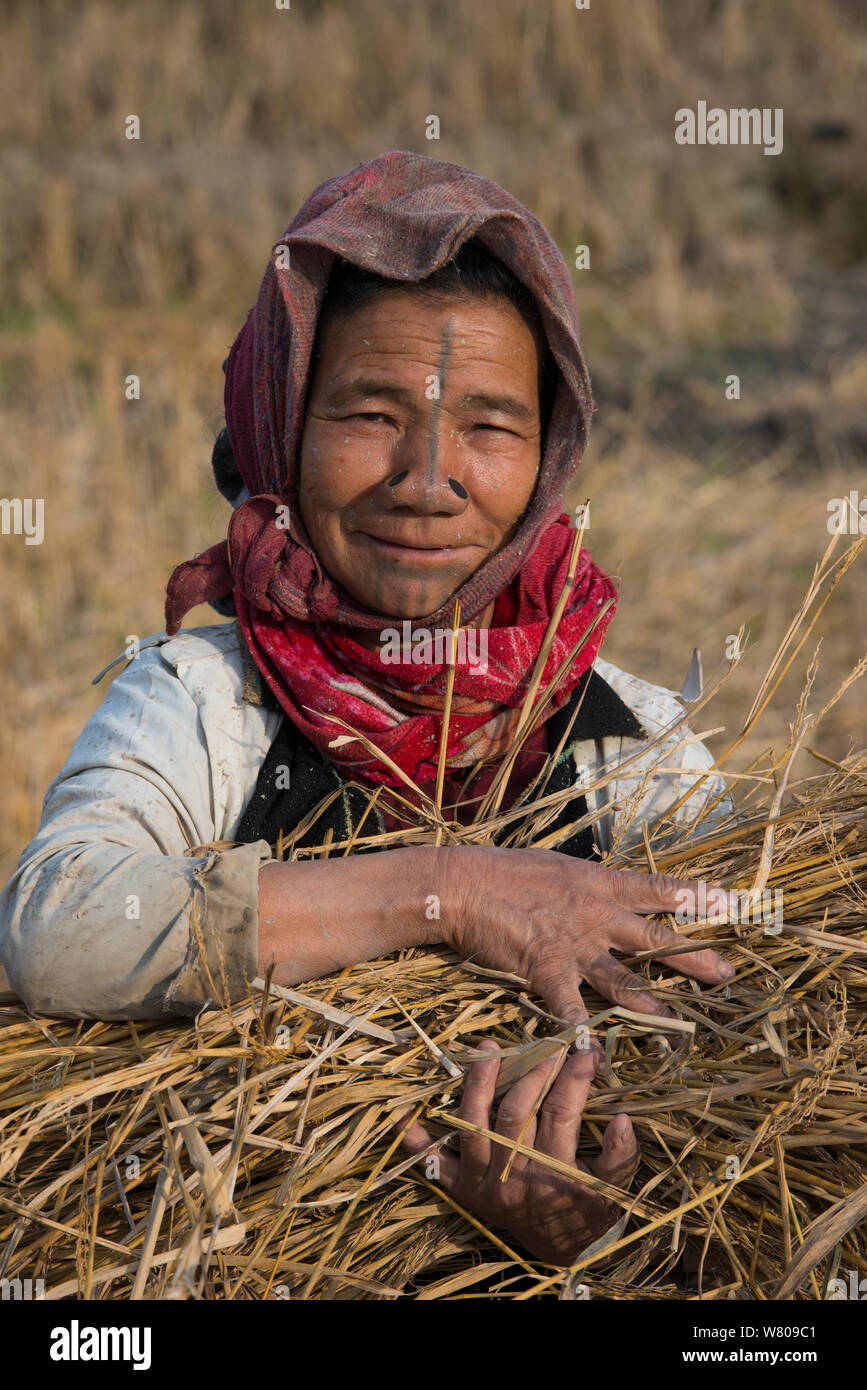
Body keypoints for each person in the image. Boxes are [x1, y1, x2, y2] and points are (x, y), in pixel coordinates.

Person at [0, 151, 737, 1265]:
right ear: (282, 427)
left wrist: (597, 1247)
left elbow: (755, 1061)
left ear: (548, 460)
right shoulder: (208, 702)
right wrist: (451, 892)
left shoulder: (637, 749)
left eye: (490, 425)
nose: (427, 476)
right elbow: (56, 929)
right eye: (370, 413)